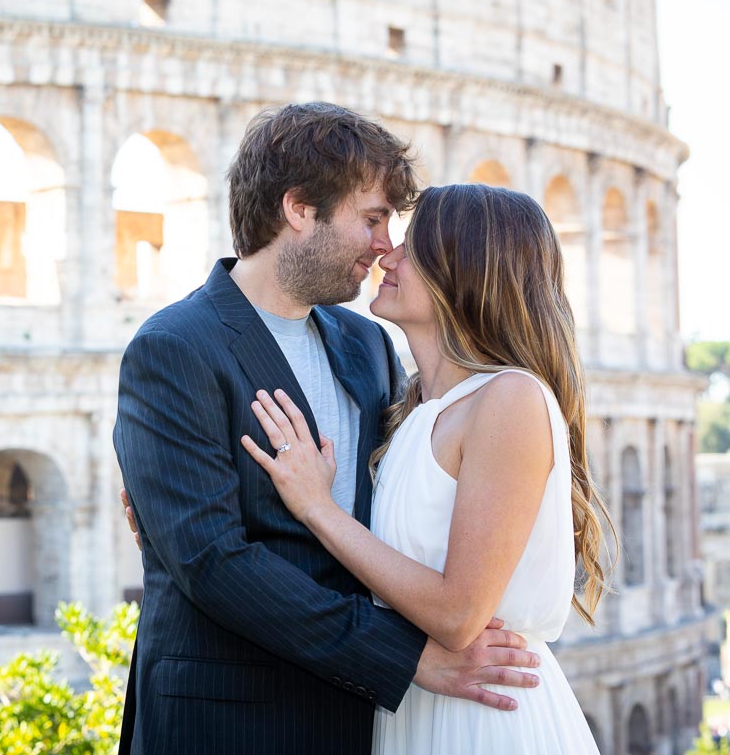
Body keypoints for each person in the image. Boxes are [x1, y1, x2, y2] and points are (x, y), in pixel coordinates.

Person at [113, 103, 540, 755]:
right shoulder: (174, 346)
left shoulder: (367, 343)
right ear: (299, 210)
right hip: (229, 719)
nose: (386, 244)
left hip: (361, 718)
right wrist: (406, 657)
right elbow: (213, 563)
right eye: (372, 219)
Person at [241, 183, 610, 753]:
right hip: (413, 701)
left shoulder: (509, 400)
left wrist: (318, 508)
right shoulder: (413, 408)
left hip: (485, 715)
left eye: (411, 248)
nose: (385, 255)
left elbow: (460, 614)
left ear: (463, 270)